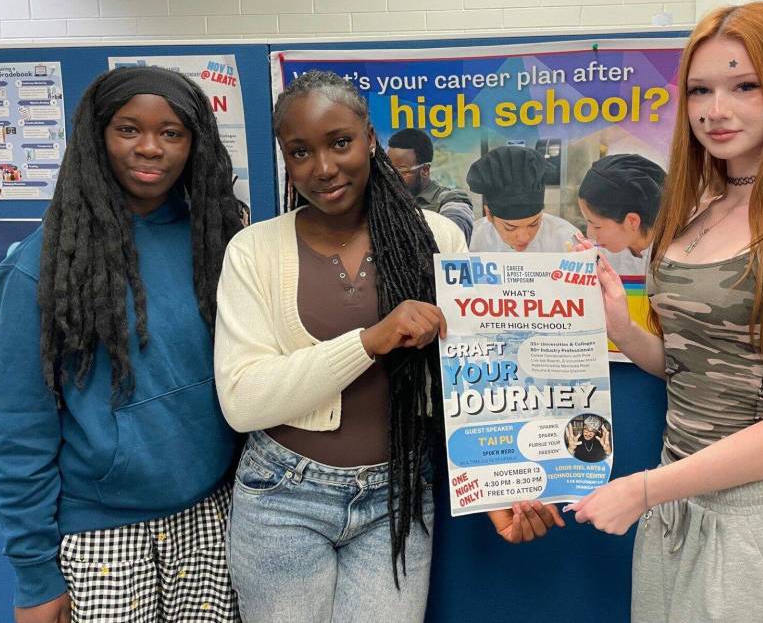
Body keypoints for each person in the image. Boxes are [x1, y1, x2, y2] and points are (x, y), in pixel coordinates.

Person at [567, 2, 763, 622]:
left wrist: (644, 489)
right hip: (675, 510)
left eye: (745, 86)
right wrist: (620, 325)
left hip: (754, 528)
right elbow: (687, 368)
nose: (716, 109)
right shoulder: (696, 213)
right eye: (700, 90)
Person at [213, 71, 562, 623]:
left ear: (370, 139)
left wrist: (498, 486)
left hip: (397, 497)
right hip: (282, 496)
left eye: (340, 142)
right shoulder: (252, 250)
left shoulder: (437, 238)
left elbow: (471, 378)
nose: (323, 167)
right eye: (300, 152)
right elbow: (242, 401)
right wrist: (370, 342)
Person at [0, 66, 245, 623]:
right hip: (102, 532)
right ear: (96, 136)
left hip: (211, 515)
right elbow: (19, 429)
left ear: (195, 144)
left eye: (171, 133)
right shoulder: (42, 265)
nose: (150, 147)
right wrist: (35, 576)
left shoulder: (219, 244)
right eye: (128, 129)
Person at [466, 145, 576, 252]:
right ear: (489, 214)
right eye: (510, 227)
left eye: (534, 224)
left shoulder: (566, 236)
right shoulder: (472, 240)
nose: (524, 237)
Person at [576, 153, 666, 276]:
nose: (590, 234)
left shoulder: (674, 256)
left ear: (632, 221)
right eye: (587, 222)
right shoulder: (600, 255)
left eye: (597, 226)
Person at [386, 127, 474, 242]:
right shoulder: (385, 200)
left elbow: (453, 234)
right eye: (388, 169)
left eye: (401, 171)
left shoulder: (451, 199)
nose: (392, 177)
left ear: (425, 170)